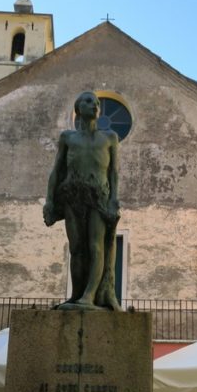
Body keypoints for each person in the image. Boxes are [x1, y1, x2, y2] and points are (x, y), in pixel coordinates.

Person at [43, 91, 122, 311]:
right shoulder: (67, 138)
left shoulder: (110, 138)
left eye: (97, 103)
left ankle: (90, 296)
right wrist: (49, 200)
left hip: (99, 196)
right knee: (77, 248)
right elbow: (57, 170)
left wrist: (114, 199)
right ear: (78, 108)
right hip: (72, 195)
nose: (94, 105)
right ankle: (76, 294)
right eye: (89, 101)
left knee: (96, 245)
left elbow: (114, 172)